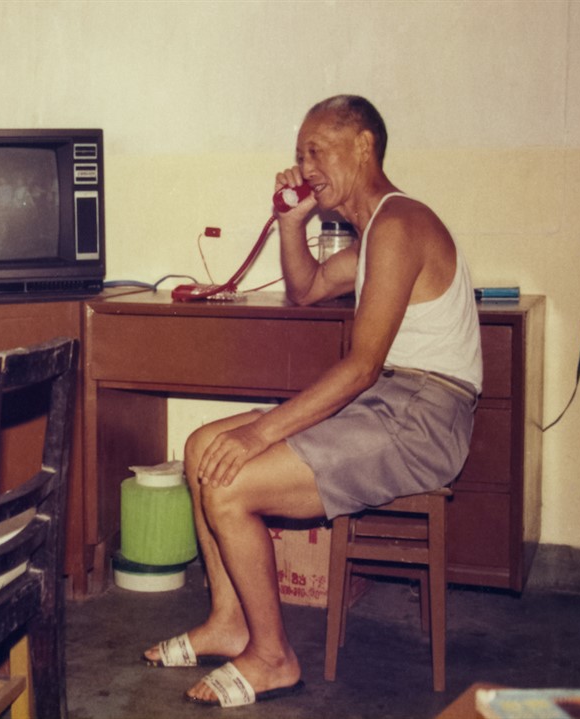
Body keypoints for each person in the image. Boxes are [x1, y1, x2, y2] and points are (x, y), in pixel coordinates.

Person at [142, 95, 482, 708]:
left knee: (229, 480)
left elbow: (362, 365)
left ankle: (274, 658)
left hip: (424, 415)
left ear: (363, 147)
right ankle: (229, 622)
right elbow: (306, 290)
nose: (304, 167)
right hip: (393, 399)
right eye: (299, 155)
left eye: (316, 151)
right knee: (200, 449)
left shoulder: (402, 224)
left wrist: (261, 432)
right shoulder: (377, 230)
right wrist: (293, 222)